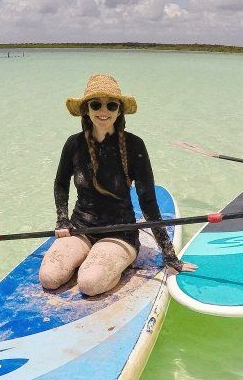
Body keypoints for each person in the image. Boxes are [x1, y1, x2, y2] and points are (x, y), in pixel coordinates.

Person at [39, 73, 196, 295]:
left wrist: (169, 254)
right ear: (87, 109)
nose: (104, 111)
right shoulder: (73, 144)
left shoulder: (135, 145)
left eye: (111, 105)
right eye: (96, 104)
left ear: (119, 110)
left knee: (89, 284)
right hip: (80, 228)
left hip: (120, 232)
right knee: (49, 278)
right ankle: (88, 256)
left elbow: (148, 201)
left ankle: (107, 262)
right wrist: (62, 220)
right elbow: (61, 184)